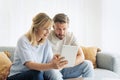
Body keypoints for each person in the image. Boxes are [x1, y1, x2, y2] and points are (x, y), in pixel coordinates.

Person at [7, 13, 68, 80]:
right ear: (36, 28)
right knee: (36, 73)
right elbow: (29, 65)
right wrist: (51, 65)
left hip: (36, 76)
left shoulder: (46, 43)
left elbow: (48, 64)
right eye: (45, 29)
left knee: (48, 73)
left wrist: (53, 61)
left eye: (49, 29)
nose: (48, 32)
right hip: (17, 76)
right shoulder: (23, 41)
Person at [48, 13, 94, 79]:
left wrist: (64, 65)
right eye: (58, 29)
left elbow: (81, 56)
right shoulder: (47, 36)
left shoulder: (71, 36)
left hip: (66, 68)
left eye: (64, 29)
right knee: (53, 72)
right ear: (53, 27)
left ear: (68, 26)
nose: (61, 32)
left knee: (88, 64)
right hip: (52, 69)